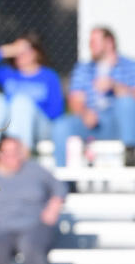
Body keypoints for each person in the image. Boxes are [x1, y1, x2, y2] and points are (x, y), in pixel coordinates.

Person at [52, 26, 135, 165]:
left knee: (125, 102)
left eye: (94, 42)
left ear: (109, 42)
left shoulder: (130, 66)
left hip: (119, 123)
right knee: (61, 126)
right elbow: (75, 99)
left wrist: (115, 86)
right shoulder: (83, 69)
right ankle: (61, 176)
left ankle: (131, 155)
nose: (90, 46)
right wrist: (84, 113)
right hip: (93, 122)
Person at [0, 136, 66, 264]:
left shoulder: (35, 170)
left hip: (36, 225)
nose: (13, 156)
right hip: (3, 229)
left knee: (30, 246)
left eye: (16, 151)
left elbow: (59, 187)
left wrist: (53, 206)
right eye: (8, 152)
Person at [0, 33, 64, 152]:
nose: (20, 54)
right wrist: (2, 51)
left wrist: (29, 110)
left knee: (21, 102)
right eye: (17, 50)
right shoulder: (9, 73)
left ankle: (21, 153)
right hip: (11, 125)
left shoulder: (49, 76)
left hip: (40, 127)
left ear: (36, 52)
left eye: (24, 50)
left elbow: (56, 112)